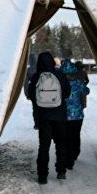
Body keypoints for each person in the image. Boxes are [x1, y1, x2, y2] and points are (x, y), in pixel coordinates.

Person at [28, 51, 71, 184]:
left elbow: (31, 94)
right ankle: (61, 171)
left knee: (44, 146)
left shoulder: (36, 77)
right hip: (59, 116)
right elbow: (67, 92)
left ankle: (42, 176)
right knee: (61, 144)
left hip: (44, 117)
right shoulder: (59, 75)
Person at [61, 59, 90, 170]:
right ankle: (74, 154)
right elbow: (86, 91)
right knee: (75, 135)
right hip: (78, 116)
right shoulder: (78, 82)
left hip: (64, 115)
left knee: (65, 137)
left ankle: (67, 158)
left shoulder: (61, 84)